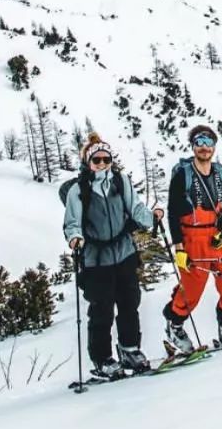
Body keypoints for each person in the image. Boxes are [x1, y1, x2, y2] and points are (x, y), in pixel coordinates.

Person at [63, 133, 163, 378]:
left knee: (130, 303)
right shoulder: (78, 190)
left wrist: (152, 218)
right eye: (96, 160)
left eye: (106, 159)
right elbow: (72, 221)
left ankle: (129, 349)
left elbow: (135, 206)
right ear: (88, 161)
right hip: (96, 259)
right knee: (102, 309)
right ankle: (102, 358)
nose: (102, 164)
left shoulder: (120, 181)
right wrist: (74, 238)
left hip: (124, 251)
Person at [162, 125, 222, 352]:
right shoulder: (183, 174)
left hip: (218, 237)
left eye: (209, 143)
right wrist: (179, 248)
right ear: (192, 146)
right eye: (199, 142)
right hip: (193, 238)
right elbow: (172, 212)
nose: (204, 147)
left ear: (214, 147)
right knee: (191, 290)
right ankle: (175, 324)